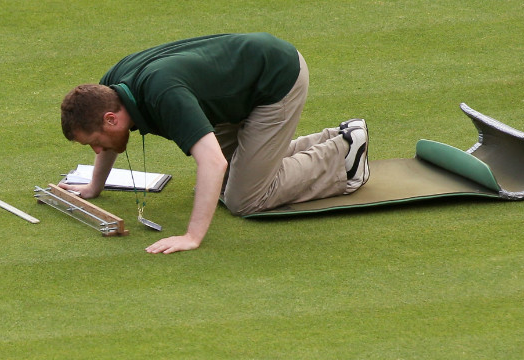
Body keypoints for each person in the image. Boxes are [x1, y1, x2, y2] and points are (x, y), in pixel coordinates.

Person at [59, 33, 369, 254]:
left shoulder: (162, 95)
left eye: (95, 142)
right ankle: (331, 138)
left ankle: (344, 154)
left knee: (244, 199)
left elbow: (212, 162)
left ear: (111, 118)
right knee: (226, 182)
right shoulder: (110, 88)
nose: (97, 150)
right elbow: (110, 143)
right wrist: (93, 188)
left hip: (276, 80)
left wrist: (192, 236)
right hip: (238, 88)